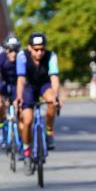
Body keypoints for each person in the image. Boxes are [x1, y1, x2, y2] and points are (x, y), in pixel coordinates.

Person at [15, 32, 62, 162]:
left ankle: (49, 132)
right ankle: (26, 147)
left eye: (42, 49)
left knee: (52, 100)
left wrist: (56, 95)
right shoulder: (22, 56)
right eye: (36, 49)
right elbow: (21, 79)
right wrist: (19, 97)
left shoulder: (51, 56)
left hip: (44, 84)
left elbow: (54, 78)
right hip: (29, 86)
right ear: (30, 48)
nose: (40, 52)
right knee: (28, 120)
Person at [0, 35, 21, 142]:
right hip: (3, 85)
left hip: (16, 85)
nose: (14, 53)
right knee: (0, 104)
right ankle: (1, 122)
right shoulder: (0, 59)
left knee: (21, 107)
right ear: (6, 50)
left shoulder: (21, 58)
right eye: (11, 50)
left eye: (16, 50)